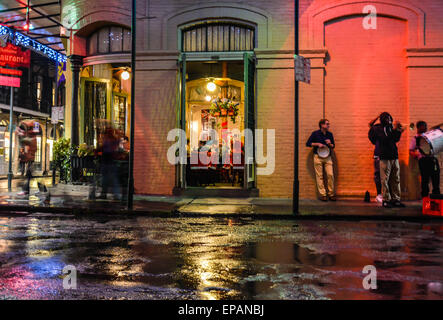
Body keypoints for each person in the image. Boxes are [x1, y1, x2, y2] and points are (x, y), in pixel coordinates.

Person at [368, 112, 405, 208]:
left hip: (394, 156)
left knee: (396, 179)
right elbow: (385, 139)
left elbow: (395, 139)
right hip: (384, 156)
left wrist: (399, 131)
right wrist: (394, 130)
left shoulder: (390, 127)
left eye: (390, 118)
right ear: (383, 119)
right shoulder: (379, 129)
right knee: (385, 179)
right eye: (387, 118)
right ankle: (386, 199)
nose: (389, 120)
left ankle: (396, 199)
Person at [306, 119, 336, 201]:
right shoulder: (315, 134)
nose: (328, 125)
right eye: (327, 124)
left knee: (330, 175)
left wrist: (330, 143)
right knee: (320, 176)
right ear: (322, 125)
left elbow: (333, 146)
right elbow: (308, 143)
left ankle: (331, 194)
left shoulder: (330, 134)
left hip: (328, 157)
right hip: (318, 157)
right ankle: (323, 194)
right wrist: (317, 144)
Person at [409, 121, 440, 197]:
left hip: (433, 159)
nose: (425, 128)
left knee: (436, 179)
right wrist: (416, 155)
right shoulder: (415, 138)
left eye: (425, 126)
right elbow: (411, 150)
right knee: (425, 180)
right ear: (418, 128)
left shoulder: (429, 136)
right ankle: (425, 199)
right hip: (423, 161)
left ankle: (436, 199)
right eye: (423, 126)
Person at [368, 116, 383, 203]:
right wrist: (377, 117)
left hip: (387, 154)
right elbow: (370, 124)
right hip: (378, 153)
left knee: (386, 175)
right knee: (378, 174)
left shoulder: (388, 127)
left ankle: (385, 194)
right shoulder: (377, 128)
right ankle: (379, 194)